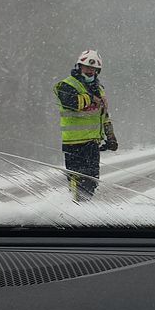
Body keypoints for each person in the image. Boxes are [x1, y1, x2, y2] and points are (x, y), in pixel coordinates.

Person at [53, 49, 118, 202]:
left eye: (94, 69)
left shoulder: (99, 89)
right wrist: (92, 99)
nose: (90, 71)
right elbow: (71, 103)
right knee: (78, 181)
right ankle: (74, 210)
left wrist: (110, 136)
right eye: (87, 67)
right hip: (74, 144)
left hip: (92, 144)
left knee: (91, 181)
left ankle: (83, 209)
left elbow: (104, 116)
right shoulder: (67, 85)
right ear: (79, 66)